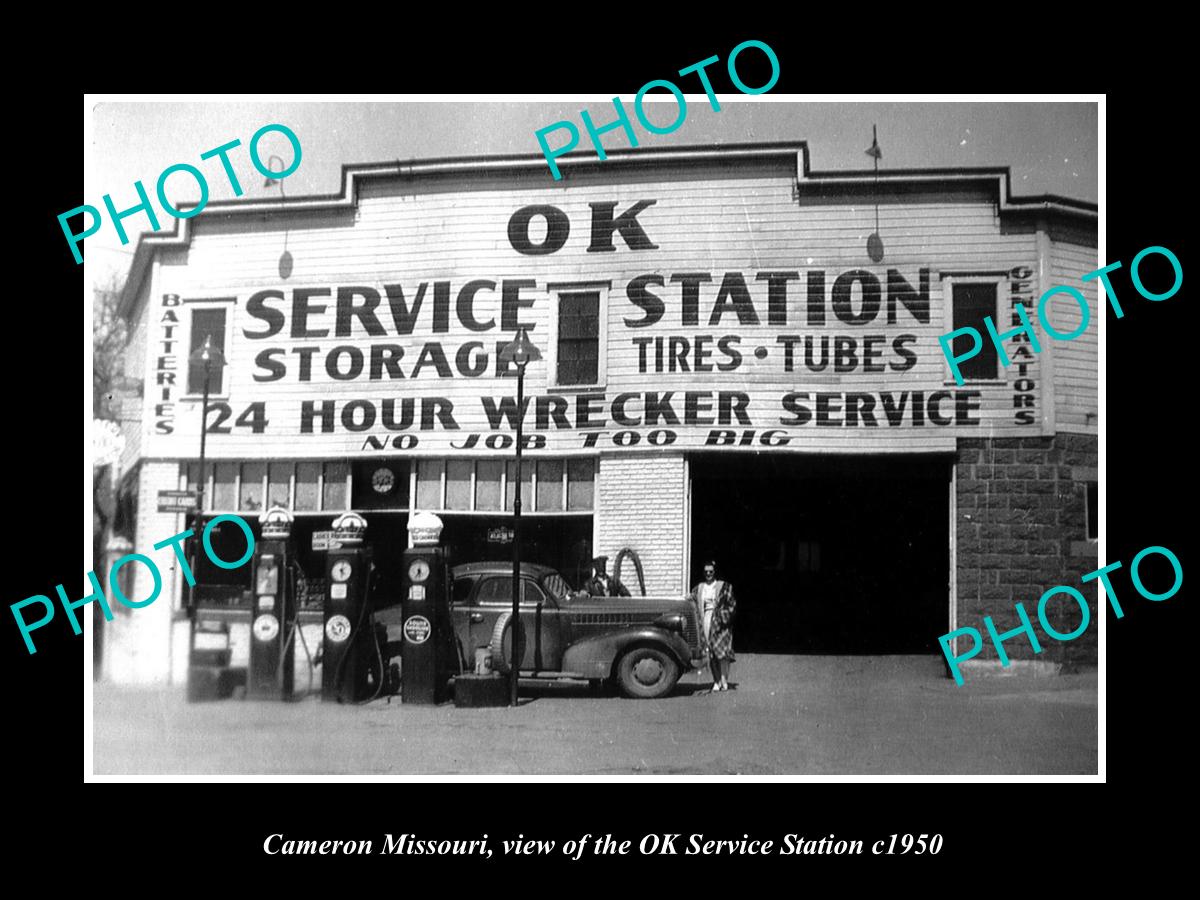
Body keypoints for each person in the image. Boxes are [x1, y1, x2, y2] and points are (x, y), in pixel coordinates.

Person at [689, 560, 736, 692]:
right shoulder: (699, 588)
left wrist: (722, 618)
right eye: (706, 572)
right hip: (706, 621)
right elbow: (692, 601)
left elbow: (731, 605)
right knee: (710, 653)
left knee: (722, 653)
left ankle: (724, 680)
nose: (708, 574)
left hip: (721, 623)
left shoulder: (724, 586)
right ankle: (716, 681)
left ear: (715, 572)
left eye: (711, 571)